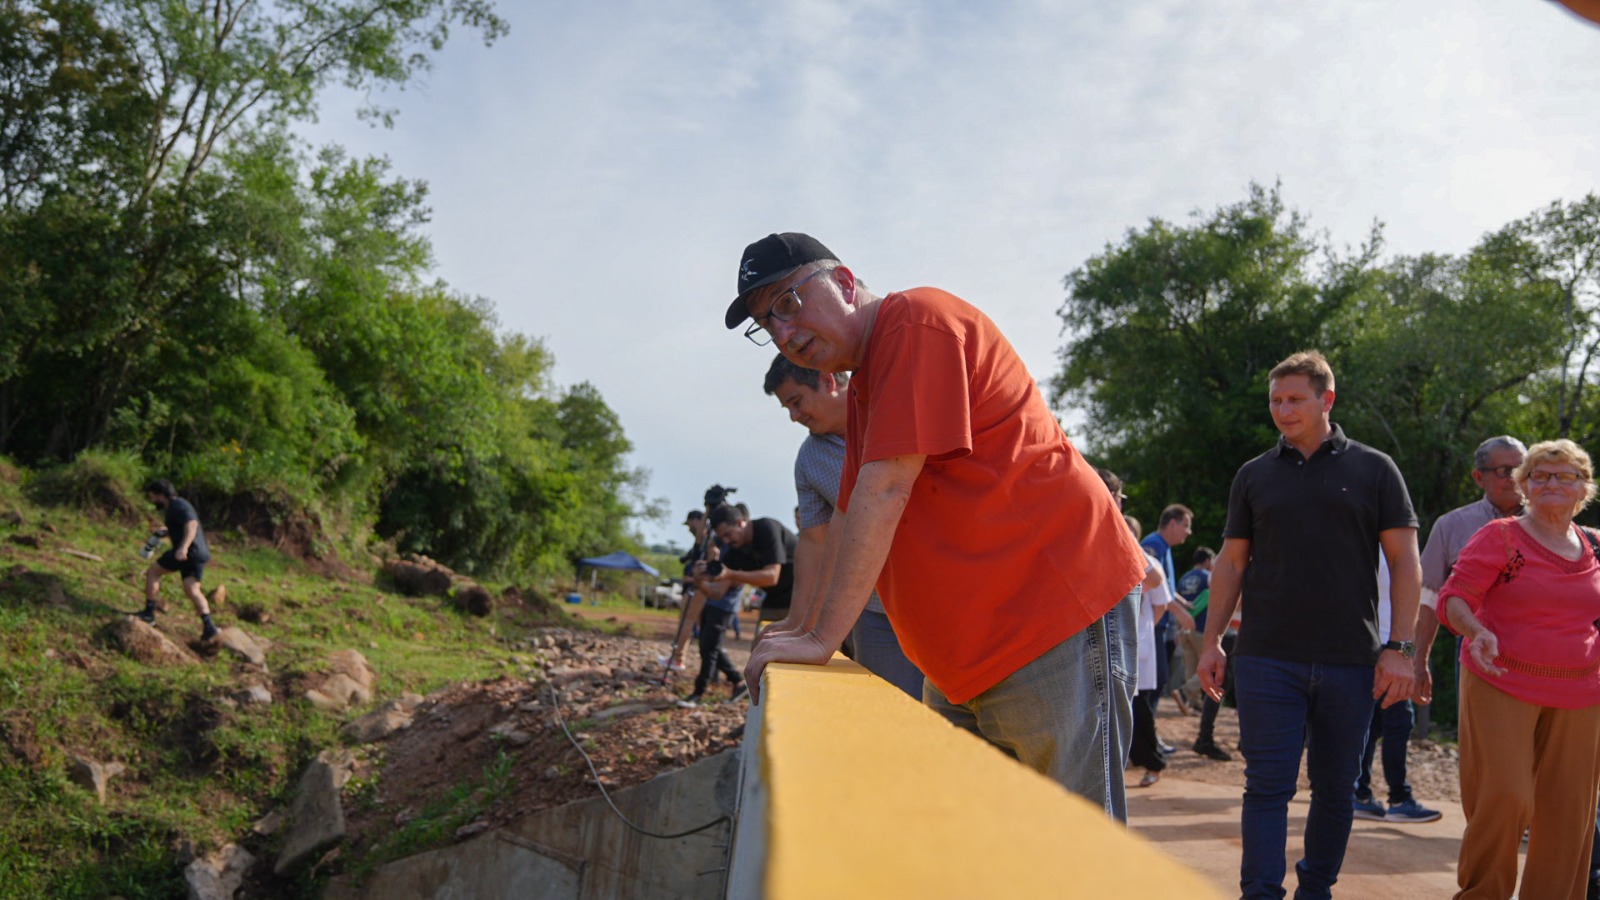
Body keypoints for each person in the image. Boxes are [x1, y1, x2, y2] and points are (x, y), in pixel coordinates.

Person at [727, 232, 1145, 819]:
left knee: (1073, 853)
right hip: (963, 658)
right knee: (971, 847)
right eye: (765, 326)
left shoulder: (915, 322)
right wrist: (799, 626)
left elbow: (887, 486)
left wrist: (821, 640)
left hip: (1051, 622)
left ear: (844, 283)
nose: (785, 335)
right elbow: (845, 518)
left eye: (789, 305)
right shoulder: (868, 387)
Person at [1196, 350, 1421, 900]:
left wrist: (1401, 648)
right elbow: (1230, 563)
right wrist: (1213, 642)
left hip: (1351, 659)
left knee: (1335, 790)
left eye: (1295, 398)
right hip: (1266, 656)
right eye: (1275, 399)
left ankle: (1315, 889)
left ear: (1327, 400)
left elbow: (1404, 562)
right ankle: (1261, 893)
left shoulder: (1373, 468)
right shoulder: (1254, 475)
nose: (1283, 409)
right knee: (1266, 786)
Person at [1437, 439, 1600, 900]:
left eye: (1564, 475)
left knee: (1569, 813)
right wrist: (1476, 631)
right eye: (1540, 475)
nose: (1552, 483)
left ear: (1582, 488)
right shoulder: (1501, 536)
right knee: (1507, 797)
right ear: (1524, 485)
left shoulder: (1595, 545)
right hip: (1502, 679)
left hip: (1582, 692)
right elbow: (1454, 599)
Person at [760, 354, 924, 699]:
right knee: (888, 709)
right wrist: (797, 622)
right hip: (876, 612)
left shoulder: (895, 414)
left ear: (827, 380)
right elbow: (815, 542)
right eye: (786, 408)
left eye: (796, 401)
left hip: (941, 597)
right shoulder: (810, 460)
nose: (794, 417)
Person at [1414, 436, 1528, 705]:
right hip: (1476, 648)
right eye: (1504, 471)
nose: (1514, 478)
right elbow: (1427, 602)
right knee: (1481, 740)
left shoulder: (1553, 524)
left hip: (1543, 650)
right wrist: (1417, 660)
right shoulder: (1452, 526)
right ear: (1479, 477)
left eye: (1522, 469)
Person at [1352, 560, 1443, 824]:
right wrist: (1409, 659)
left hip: (1385, 646)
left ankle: (1361, 793)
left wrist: (1411, 658)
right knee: (1398, 721)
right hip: (1382, 647)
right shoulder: (1393, 550)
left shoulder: (1390, 546)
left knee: (1375, 722)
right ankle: (1398, 799)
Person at [135, 479, 219, 642]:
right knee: (192, 589)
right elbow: (182, 526)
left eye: (152, 497)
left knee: (153, 572)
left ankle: (149, 614)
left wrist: (183, 547)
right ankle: (210, 627)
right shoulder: (177, 506)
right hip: (199, 554)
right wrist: (166, 532)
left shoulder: (178, 505)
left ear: (161, 495)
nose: (152, 501)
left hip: (188, 552)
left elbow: (192, 525)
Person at [1141, 505, 1197, 719]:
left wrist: (1182, 604)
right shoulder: (1153, 545)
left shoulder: (1163, 546)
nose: (1188, 532)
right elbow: (1155, 587)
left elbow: (1167, 588)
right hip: (1153, 623)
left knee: (1158, 680)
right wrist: (1182, 614)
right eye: (1185, 526)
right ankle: (1146, 738)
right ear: (1172, 523)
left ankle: (1150, 735)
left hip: (1160, 622)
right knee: (1154, 682)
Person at [1128, 514, 1171, 788]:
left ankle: (1154, 764)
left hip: (1138, 650)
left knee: (1140, 712)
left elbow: (1161, 603)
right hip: (1113, 649)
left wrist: (1143, 631)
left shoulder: (1150, 563)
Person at [705, 504, 798, 629]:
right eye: (722, 538)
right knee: (761, 645)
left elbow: (771, 577)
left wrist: (730, 574)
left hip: (803, 598)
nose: (726, 541)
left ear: (739, 523)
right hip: (774, 600)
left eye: (728, 534)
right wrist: (700, 580)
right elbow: (718, 592)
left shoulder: (766, 528)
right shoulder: (735, 549)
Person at [1180, 547, 1234, 762]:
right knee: (1221, 680)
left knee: (1222, 680)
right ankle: (1204, 737)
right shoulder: (1221, 567)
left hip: (1196, 629)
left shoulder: (1187, 576)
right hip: (1224, 632)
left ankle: (1206, 736)